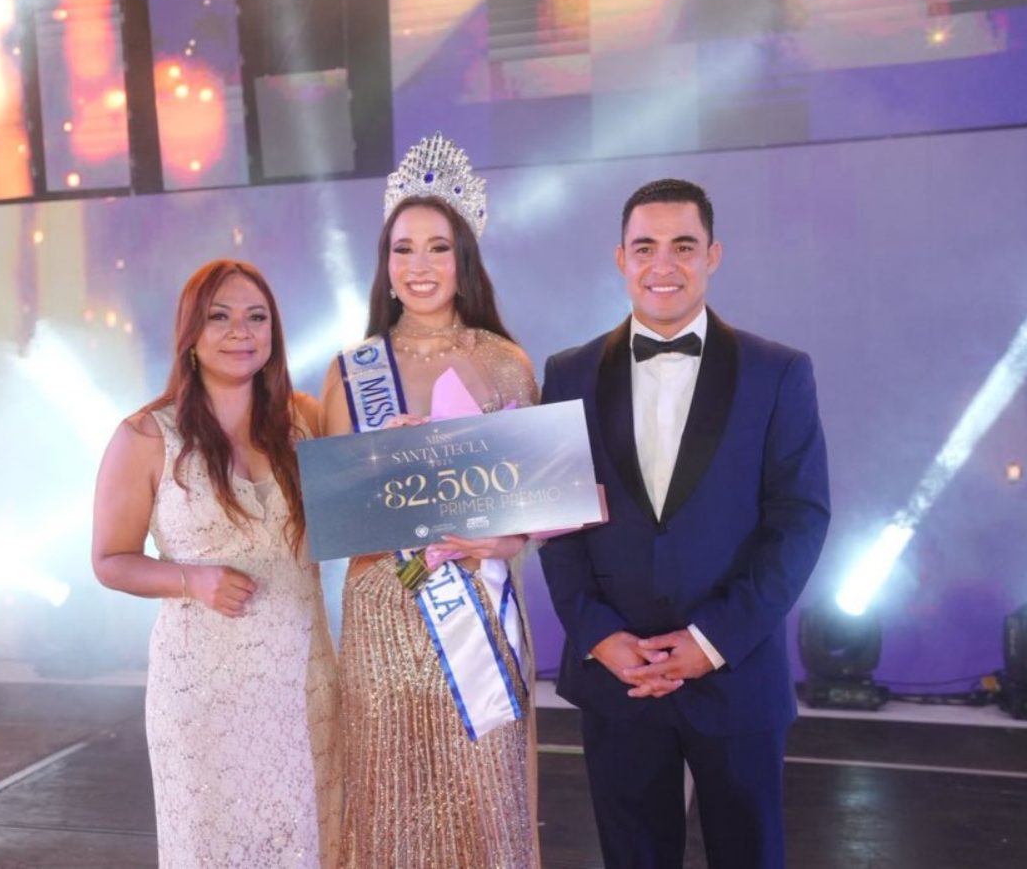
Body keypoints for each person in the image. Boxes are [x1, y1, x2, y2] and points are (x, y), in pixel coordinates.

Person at [539, 179, 830, 869]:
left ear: (713, 255)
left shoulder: (779, 371)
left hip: (736, 672)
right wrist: (598, 634)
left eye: (683, 246)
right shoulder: (568, 372)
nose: (662, 265)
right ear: (620, 259)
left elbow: (799, 520)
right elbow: (556, 521)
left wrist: (712, 640)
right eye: (644, 247)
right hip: (617, 677)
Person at [320, 133, 541, 867]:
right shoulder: (351, 372)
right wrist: (384, 466)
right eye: (403, 249)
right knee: (390, 804)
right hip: (383, 610)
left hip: (480, 608)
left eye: (438, 248)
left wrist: (501, 540)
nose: (419, 266)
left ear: (463, 259)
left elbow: (530, 505)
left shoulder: (505, 363)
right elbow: (338, 513)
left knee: (485, 801)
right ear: (384, 265)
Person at [92, 259, 340, 868]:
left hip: (302, 679)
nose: (240, 332)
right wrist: (191, 580)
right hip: (202, 691)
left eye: (257, 317)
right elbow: (110, 560)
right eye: (220, 317)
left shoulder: (304, 423)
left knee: (306, 844)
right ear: (191, 334)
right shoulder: (146, 435)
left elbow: (374, 491)